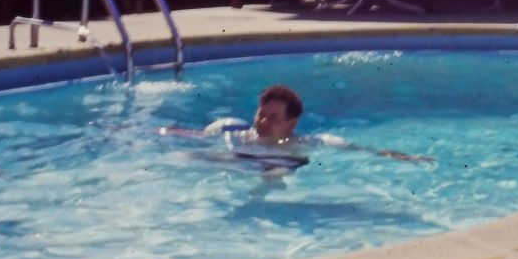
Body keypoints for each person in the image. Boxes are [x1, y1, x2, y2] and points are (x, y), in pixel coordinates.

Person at [176, 84, 433, 165]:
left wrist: (400, 156)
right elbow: (191, 137)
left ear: (292, 122)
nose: (263, 122)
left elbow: (360, 150)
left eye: (273, 117)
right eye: (261, 114)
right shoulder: (237, 135)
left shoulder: (308, 145)